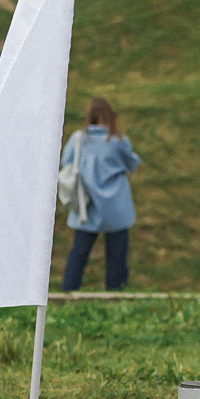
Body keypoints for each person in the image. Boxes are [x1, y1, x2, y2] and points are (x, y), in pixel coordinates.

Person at [59, 97, 140, 291]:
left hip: (86, 204)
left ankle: (69, 294)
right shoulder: (118, 140)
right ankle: (115, 296)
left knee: (79, 253)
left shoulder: (78, 139)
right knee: (117, 256)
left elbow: (66, 162)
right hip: (116, 206)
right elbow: (132, 163)